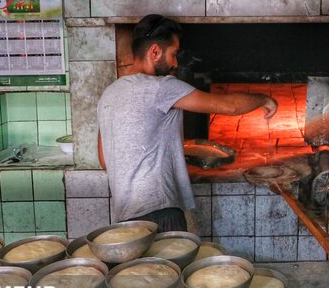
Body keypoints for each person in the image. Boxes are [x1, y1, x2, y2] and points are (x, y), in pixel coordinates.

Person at [97, 14, 277, 232]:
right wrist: (264, 99)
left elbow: (105, 159)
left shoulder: (109, 93)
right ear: (155, 51)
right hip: (160, 213)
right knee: (174, 267)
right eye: (173, 54)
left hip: (125, 217)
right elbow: (229, 106)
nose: (175, 63)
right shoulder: (162, 87)